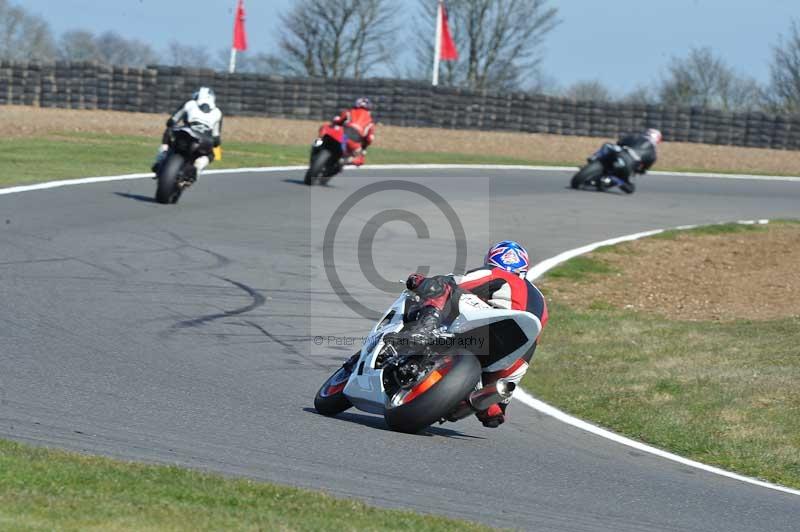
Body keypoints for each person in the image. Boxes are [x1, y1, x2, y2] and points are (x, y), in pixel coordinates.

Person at [386, 241, 548, 428]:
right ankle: (483, 401)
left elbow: (454, 282)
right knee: (494, 410)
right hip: (514, 351)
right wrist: (499, 401)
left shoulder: (494, 273)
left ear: (491, 261)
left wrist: (420, 282)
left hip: (485, 325)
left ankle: (423, 330)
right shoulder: (541, 301)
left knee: (442, 285)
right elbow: (533, 335)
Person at [151, 87, 223, 182]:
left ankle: (161, 157)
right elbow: (216, 139)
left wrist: (173, 124)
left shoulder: (190, 104)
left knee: (168, 131)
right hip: (204, 141)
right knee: (211, 155)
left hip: (185, 133)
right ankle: (197, 167)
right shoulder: (218, 113)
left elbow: (172, 121)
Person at [610, 128, 662, 193]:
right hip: (630, 165)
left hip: (621, 155)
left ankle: (596, 159)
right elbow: (643, 169)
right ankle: (616, 180)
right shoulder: (653, 154)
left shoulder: (636, 137)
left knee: (608, 146)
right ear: (658, 139)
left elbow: (620, 142)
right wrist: (639, 170)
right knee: (630, 189)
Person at [331, 97, 375, 167]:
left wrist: (335, 123)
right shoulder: (370, 121)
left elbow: (338, 120)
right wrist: (363, 148)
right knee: (361, 159)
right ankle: (347, 160)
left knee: (329, 130)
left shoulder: (349, 112)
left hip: (343, 136)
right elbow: (369, 139)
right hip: (355, 142)